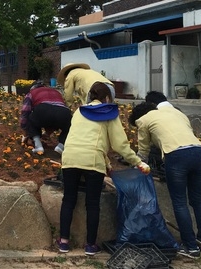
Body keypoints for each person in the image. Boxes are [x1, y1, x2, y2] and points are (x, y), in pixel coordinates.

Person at [57, 82, 149, 255]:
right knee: (92, 204)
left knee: (68, 200)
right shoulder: (110, 113)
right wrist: (138, 162)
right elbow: (119, 144)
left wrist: (106, 164)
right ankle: (90, 245)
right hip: (92, 161)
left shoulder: (79, 111)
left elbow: (82, 139)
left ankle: (63, 242)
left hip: (69, 158)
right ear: (107, 97)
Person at [129, 97, 201, 259]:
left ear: (138, 118)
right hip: (198, 153)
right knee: (197, 200)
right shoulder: (176, 113)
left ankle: (190, 248)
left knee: (180, 202)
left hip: (176, 155)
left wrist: (135, 168)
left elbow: (143, 153)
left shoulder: (143, 120)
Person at [19, 81, 72, 155]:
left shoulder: (31, 93)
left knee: (30, 118)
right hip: (63, 112)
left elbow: (25, 112)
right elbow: (56, 112)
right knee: (68, 126)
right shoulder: (56, 92)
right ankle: (60, 147)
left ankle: (38, 146)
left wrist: (25, 133)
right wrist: (47, 133)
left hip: (42, 110)